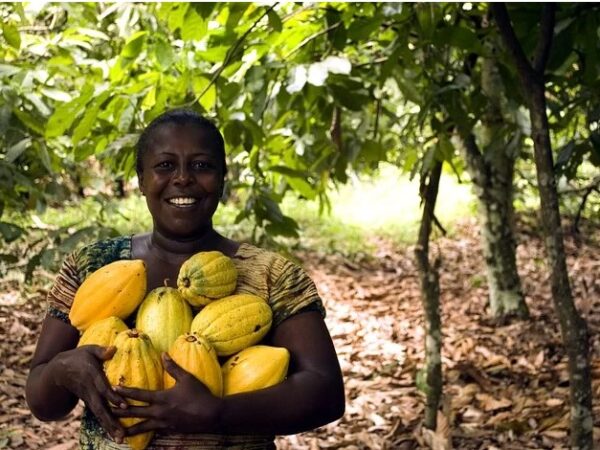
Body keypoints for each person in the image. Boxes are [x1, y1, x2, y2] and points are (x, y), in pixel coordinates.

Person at [25, 108, 345, 449]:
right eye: (165, 165)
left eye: (202, 165)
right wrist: (61, 371)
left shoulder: (272, 276)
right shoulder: (91, 266)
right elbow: (43, 402)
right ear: (141, 179)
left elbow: (325, 393)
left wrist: (218, 412)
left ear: (223, 178)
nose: (182, 178)